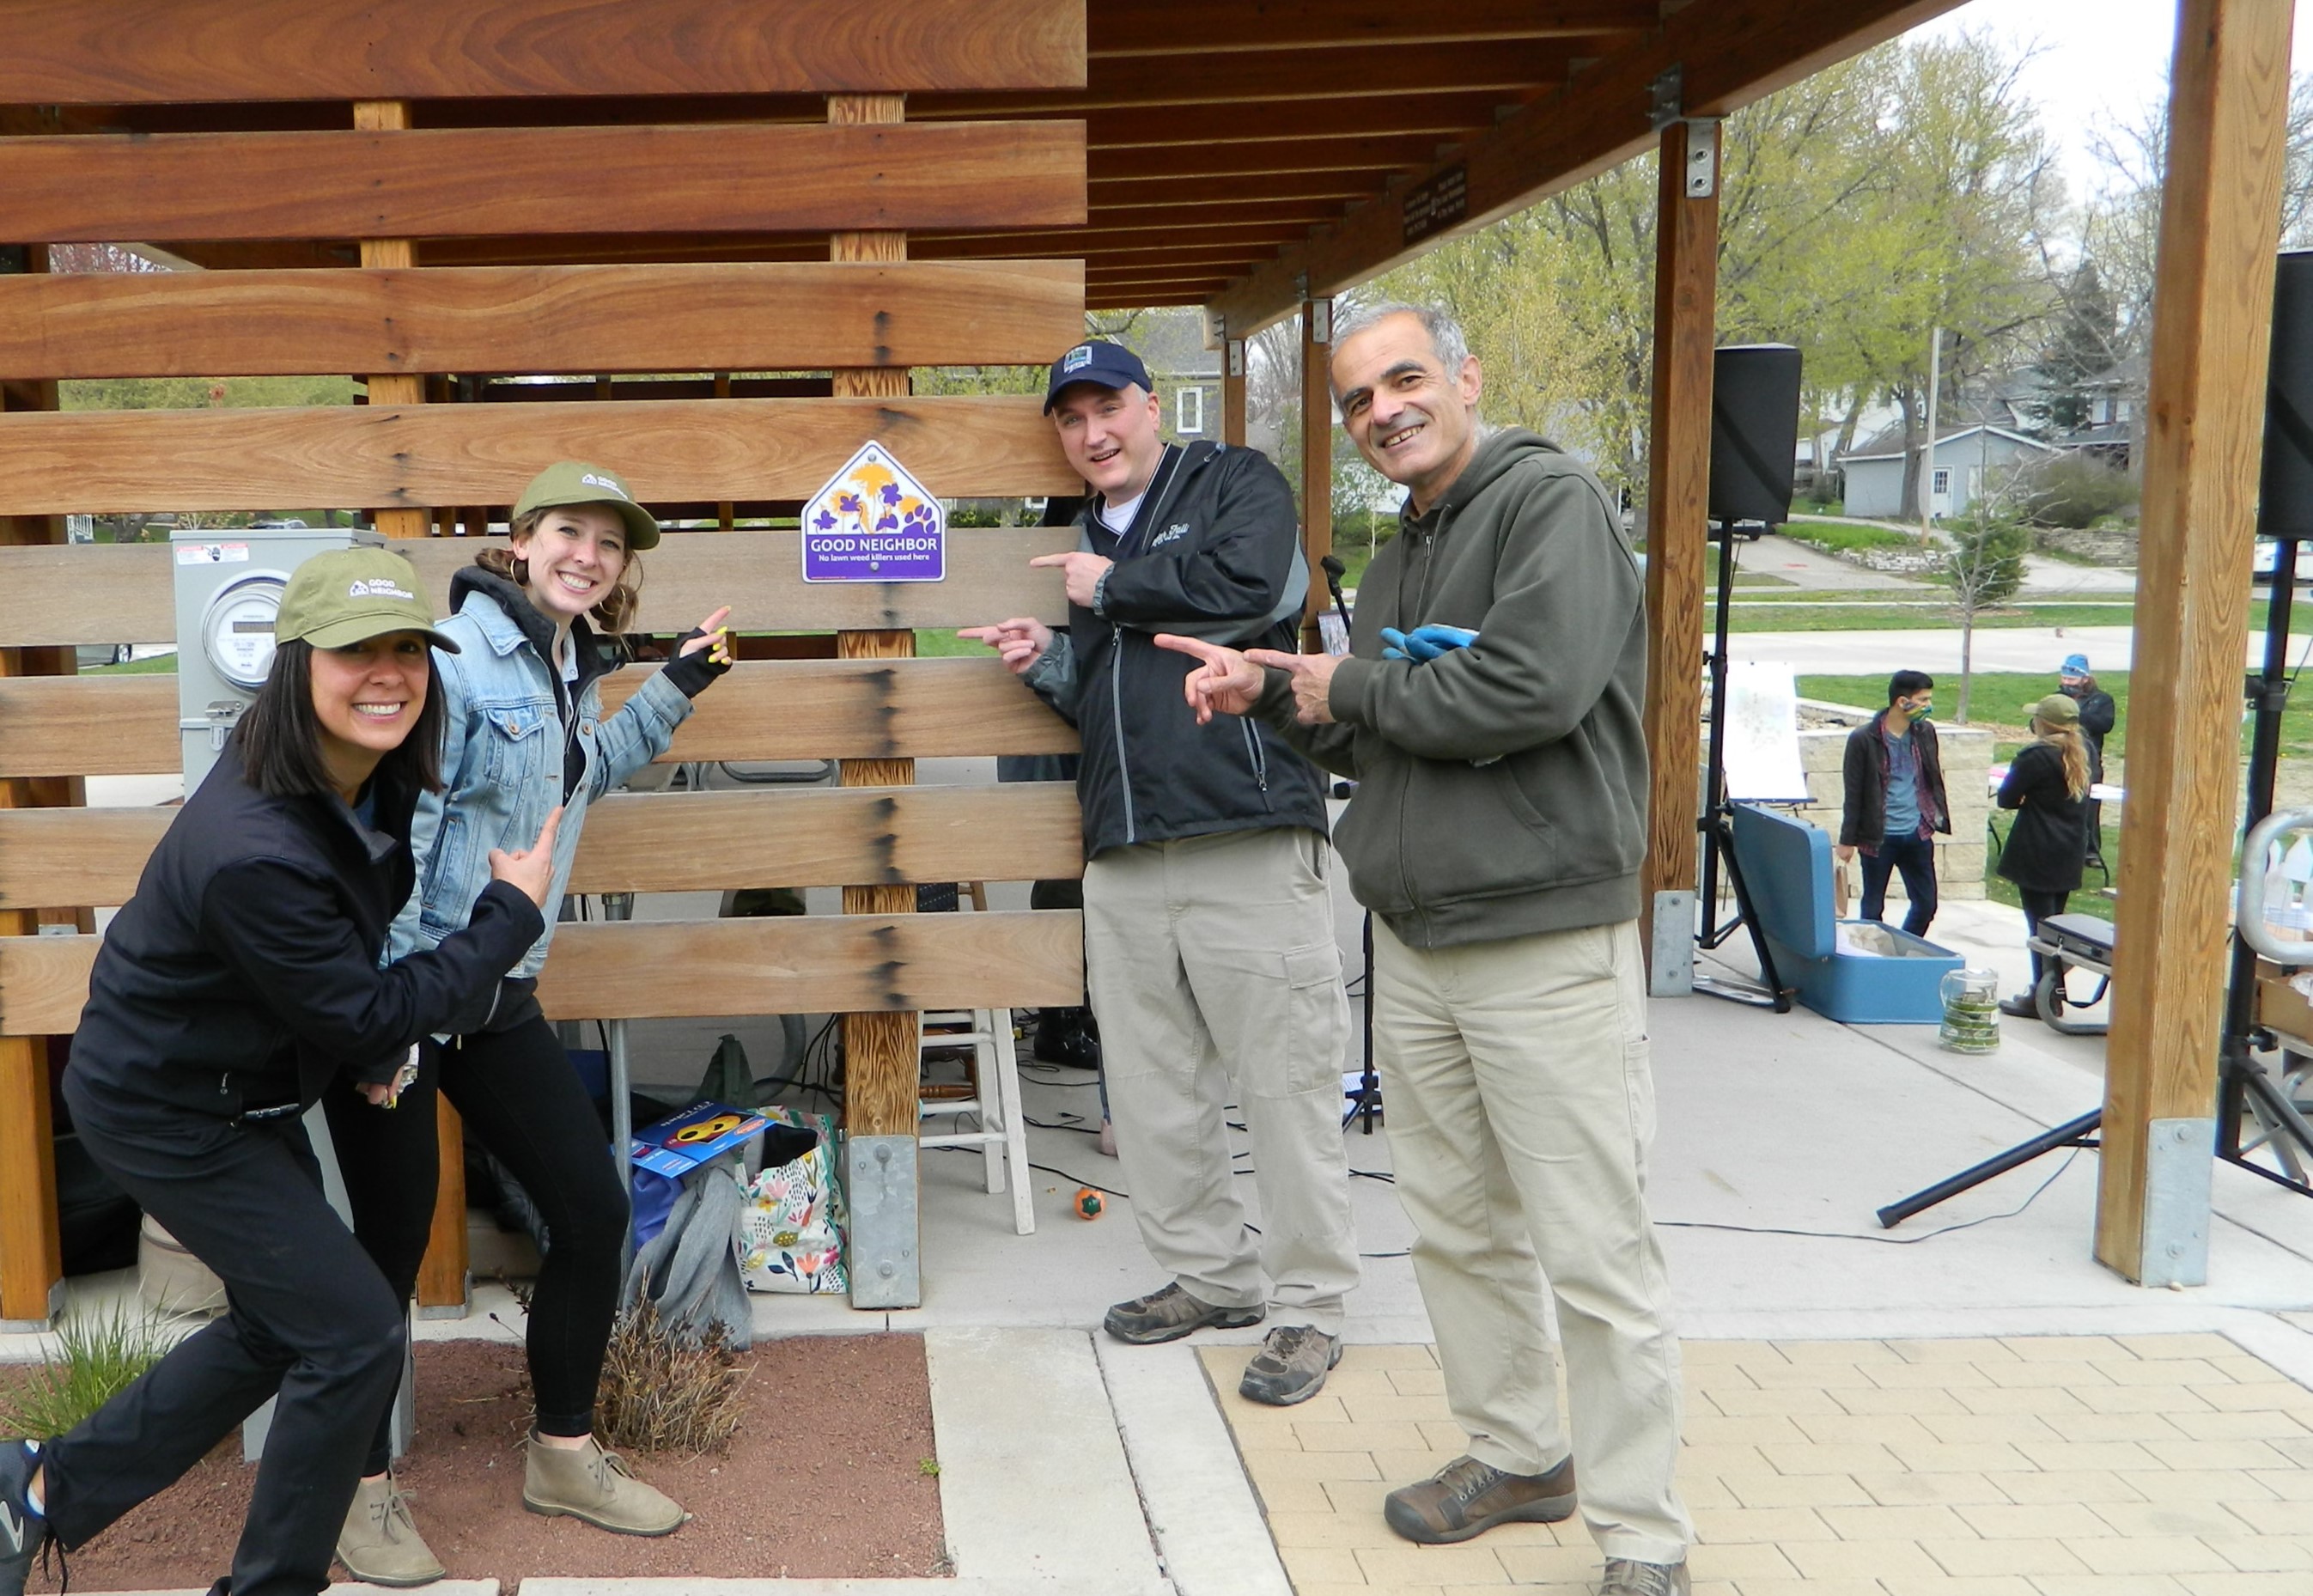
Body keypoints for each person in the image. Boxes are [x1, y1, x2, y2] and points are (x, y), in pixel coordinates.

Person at [1159, 301, 1693, 1593]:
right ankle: (1518, 1452)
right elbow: (1382, 729)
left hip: (1542, 942)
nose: (1382, 409)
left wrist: (1338, 680)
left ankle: (1641, 1536)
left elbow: (1529, 692)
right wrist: (1277, 697)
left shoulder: (1548, 503)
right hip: (1420, 939)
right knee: (1457, 1229)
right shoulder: (1406, 547)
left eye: (1403, 380)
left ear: (1465, 376)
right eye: (1356, 399)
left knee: (1593, 1246)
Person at [0, 548, 558, 1596]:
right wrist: (506, 915)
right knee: (349, 1332)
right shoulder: (254, 846)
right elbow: (365, 1001)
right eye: (357, 653)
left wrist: (366, 1039)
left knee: (290, 1320)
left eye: (407, 649)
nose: (388, 672)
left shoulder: (364, 773)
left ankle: (35, 1492)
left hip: (238, 1088)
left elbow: (347, 981)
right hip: (165, 1108)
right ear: (298, 663)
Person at [330, 462, 733, 1584]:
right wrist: (383, 1025)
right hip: (409, 1000)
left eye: (608, 543)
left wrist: (675, 685)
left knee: (591, 1209)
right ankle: (356, 1491)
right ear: (520, 540)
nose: (588, 556)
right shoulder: (455, 663)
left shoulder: (567, 663)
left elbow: (578, 775)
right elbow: (398, 841)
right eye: (569, 532)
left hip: (497, 994)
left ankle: (561, 1451)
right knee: (387, 1249)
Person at [961, 340, 1360, 1407]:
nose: (1092, 435)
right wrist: (1051, 661)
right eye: (1070, 420)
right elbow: (1118, 697)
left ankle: (1311, 1307)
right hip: (1128, 857)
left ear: (1149, 407)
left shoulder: (1231, 482)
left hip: (1246, 833)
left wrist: (1114, 585)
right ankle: (1213, 1277)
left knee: (1283, 1087)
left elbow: (1249, 589)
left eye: (1108, 410)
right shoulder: (1085, 543)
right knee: (1152, 1091)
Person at [1996, 694, 2093, 1019]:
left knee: (2039, 929)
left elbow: (2007, 799)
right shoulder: (2086, 751)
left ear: (2043, 723)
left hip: (2037, 848)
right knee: (2054, 925)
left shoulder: (2036, 755)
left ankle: (2044, 997)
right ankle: (2053, 991)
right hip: (2069, 849)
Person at [1835, 670, 1950, 939]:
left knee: (1926, 904)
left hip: (1917, 833)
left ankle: (1902, 949)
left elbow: (1931, 777)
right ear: (1902, 702)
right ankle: (1873, 957)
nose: (1927, 706)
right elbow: (1854, 792)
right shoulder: (1864, 739)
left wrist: (1935, 815)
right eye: (1922, 700)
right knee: (1873, 908)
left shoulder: (1925, 732)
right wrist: (1847, 840)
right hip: (1879, 837)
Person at [2058, 653, 2115, 868]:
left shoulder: (2101, 700)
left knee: (2089, 807)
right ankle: (2065, 848)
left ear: (2084, 679)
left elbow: (2103, 723)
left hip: (2089, 761)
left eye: (2071, 679)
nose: (2066, 683)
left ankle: (2090, 850)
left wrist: (2072, 714)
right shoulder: (2057, 698)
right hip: (2061, 759)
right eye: (2064, 678)